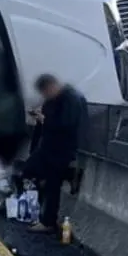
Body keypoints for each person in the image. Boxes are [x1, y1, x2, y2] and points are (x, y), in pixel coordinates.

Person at [22, 74, 87, 233]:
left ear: (51, 87)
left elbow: (68, 124)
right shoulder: (53, 99)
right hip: (48, 147)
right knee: (30, 171)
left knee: (52, 184)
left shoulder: (71, 98)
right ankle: (44, 213)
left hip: (62, 149)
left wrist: (45, 119)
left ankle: (48, 221)